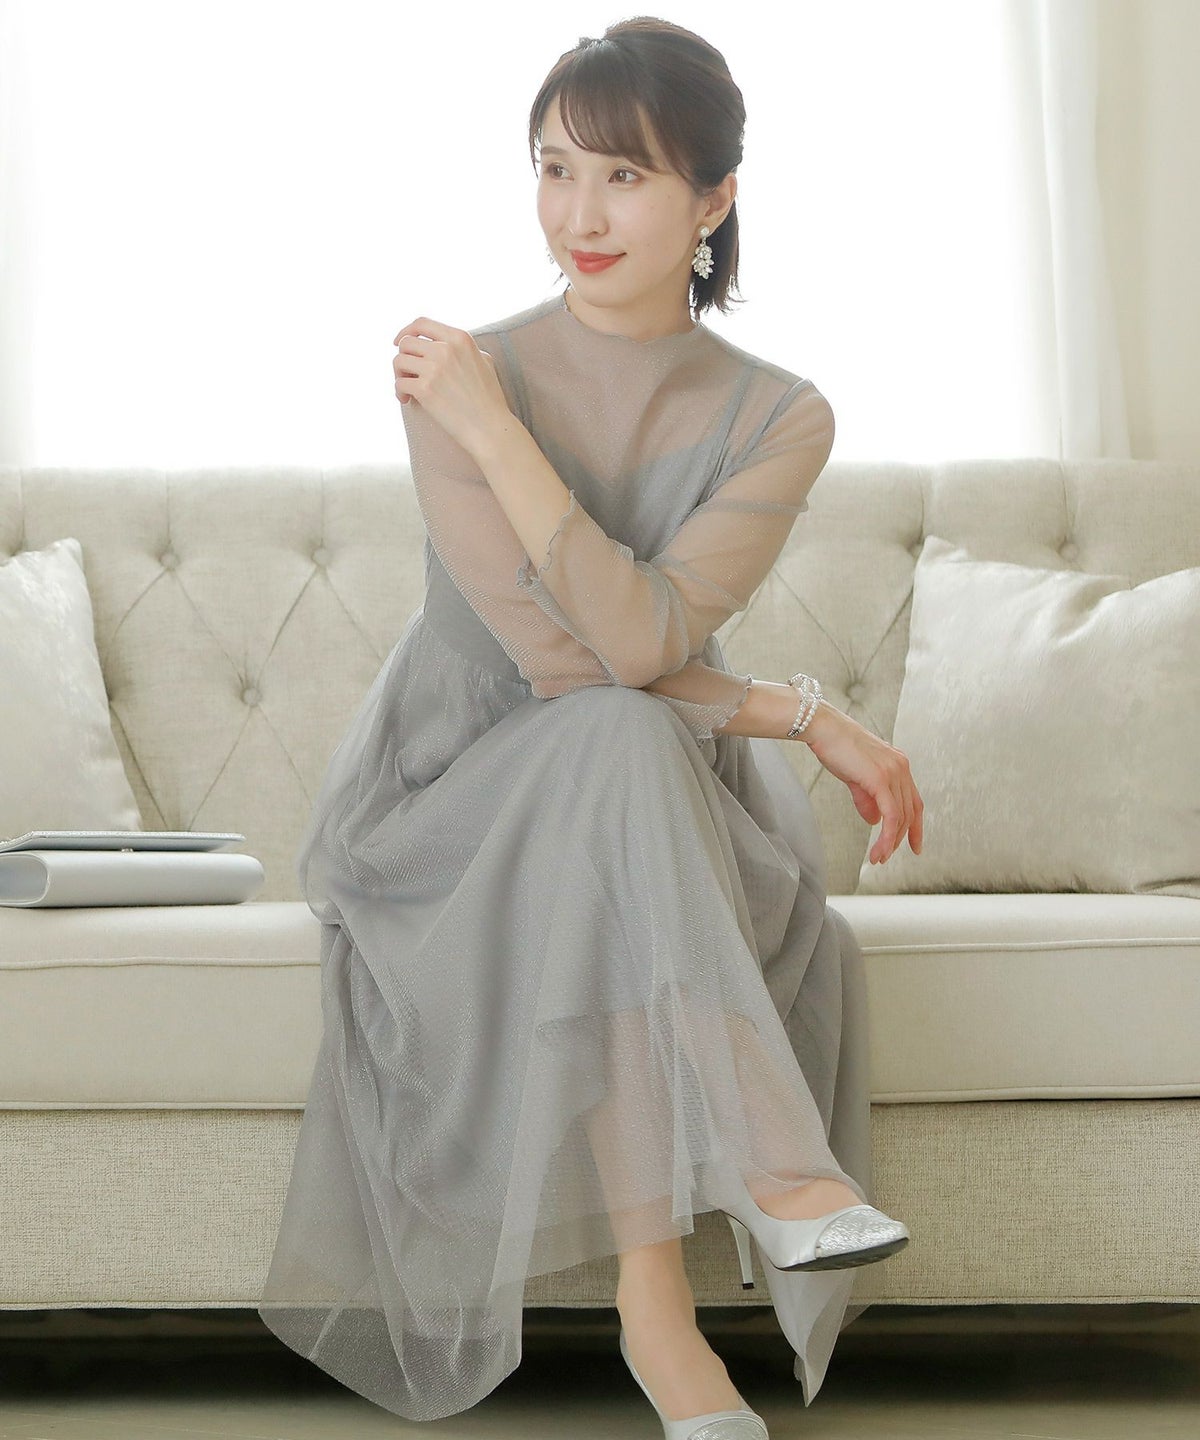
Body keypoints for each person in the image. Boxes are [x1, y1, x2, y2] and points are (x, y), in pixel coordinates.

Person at [257, 15, 924, 1437]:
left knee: (623, 764)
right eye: (555, 170)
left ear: (714, 199)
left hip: (658, 788)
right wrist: (800, 714)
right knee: (611, 742)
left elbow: (639, 646)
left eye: (624, 176)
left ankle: (657, 1308)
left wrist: (782, 716)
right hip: (457, 801)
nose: (580, 216)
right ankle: (756, 1207)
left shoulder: (781, 415)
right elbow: (571, 659)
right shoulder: (457, 372)